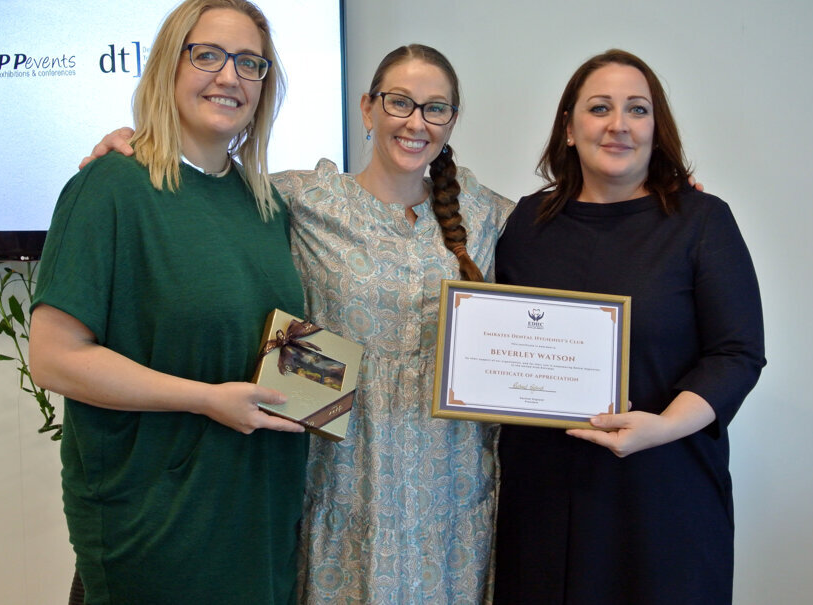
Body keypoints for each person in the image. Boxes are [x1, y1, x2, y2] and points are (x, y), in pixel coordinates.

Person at [79, 44, 514, 603]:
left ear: (451, 121)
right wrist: (131, 143)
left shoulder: (488, 216)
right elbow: (200, 187)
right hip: (339, 486)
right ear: (367, 108)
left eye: (435, 109)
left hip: (451, 496)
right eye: (399, 102)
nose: (415, 122)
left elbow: (579, 222)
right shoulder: (300, 199)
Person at [28, 1, 309, 603]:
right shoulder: (109, 188)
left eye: (250, 64)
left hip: (254, 520)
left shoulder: (262, 204)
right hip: (157, 526)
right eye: (208, 55)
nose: (230, 77)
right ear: (167, 66)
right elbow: (54, 359)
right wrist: (206, 400)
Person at [492, 49, 765, 604]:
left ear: (656, 128)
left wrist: (661, 427)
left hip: (664, 493)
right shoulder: (525, 223)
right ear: (568, 128)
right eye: (599, 108)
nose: (618, 125)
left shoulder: (702, 220)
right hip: (544, 498)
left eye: (637, 110)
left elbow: (737, 353)